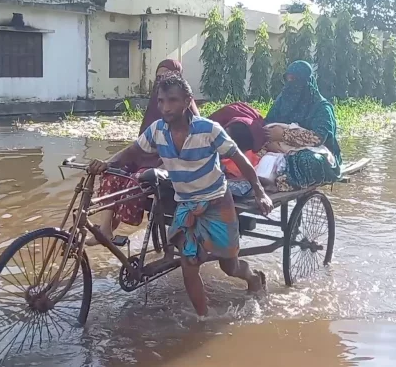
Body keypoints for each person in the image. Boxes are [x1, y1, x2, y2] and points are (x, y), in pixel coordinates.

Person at [88, 74, 272, 316]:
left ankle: (254, 278)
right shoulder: (157, 131)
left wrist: (260, 192)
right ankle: (203, 320)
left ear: (187, 101)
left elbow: (241, 161)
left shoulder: (209, 129)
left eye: (172, 100)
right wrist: (107, 162)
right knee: (188, 264)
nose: (165, 107)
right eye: (161, 101)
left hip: (217, 202)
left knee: (229, 265)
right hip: (186, 204)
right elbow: (133, 150)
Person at [86, 59, 200, 246]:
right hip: (148, 160)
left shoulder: (194, 120)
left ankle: (119, 221)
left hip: (173, 168)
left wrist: (166, 165)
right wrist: (108, 163)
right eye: (159, 77)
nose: (162, 81)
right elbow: (136, 147)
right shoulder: (157, 111)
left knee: (136, 180)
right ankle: (106, 228)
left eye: (167, 76)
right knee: (112, 173)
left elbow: (190, 155)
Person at [264, 60, 342, 188]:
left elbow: (318, 138)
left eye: (295, 80)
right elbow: (267, 124)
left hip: (314, 151)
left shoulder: (321, 107)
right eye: (288, 79)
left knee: (309, 160)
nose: (291, 84)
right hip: (279, 147)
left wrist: (284, 135)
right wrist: (270, 143)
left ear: (306, 81)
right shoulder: (283, 100)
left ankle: (285, 182)